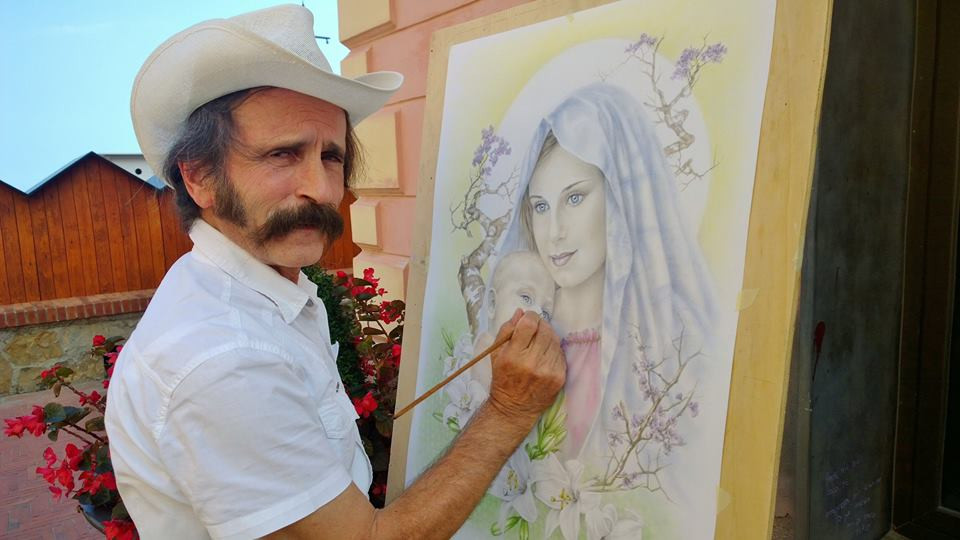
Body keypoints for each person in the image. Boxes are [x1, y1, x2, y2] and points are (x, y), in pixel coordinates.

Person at [103, 5, 565, 540]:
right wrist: (508, 409)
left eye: (330, 157)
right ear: (200, 177)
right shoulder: (224, 359)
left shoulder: (263, 293)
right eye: (282, 154)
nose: (323, 190)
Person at [492, 83, 718, 459]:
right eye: (541, 206)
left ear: (621, 196)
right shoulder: (518, 326)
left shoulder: (671, 341)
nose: (554, 231)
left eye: (575, 198)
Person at [469, 250, 556, 388]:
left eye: (545, 313)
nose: (537, 315)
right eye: (526, 298)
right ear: (492, 303)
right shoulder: (486, 347)